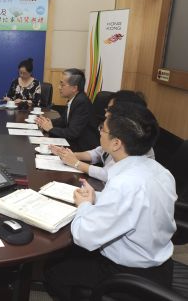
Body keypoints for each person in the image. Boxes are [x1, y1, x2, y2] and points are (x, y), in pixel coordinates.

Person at [44, 103, 176, 301]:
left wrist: (84, 205)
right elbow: (135, 208)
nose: (100, 133)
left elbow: (85, 237)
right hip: (162, 266)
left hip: (128, 275)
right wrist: (96, 197)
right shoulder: (161, 172)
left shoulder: (124, 183)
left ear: (116, 143)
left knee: (53, 271)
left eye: (102, 129)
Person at [50, 90, 155, 182]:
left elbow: (108, 174)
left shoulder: (136, 141)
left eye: (110, 109)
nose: (106, 113)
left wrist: (76, 163)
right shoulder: (118, 131)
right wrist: (68, 155)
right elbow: (100, 152)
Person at [35, 68, 99, 151]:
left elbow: (73, 132)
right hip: (73, 144)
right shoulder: (74, 99)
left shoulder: (82, 102)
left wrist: (51, 129)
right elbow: (64, 121)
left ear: (74, 88)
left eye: (62, 84)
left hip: (83, 149)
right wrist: (47, 122)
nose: (59, 87)